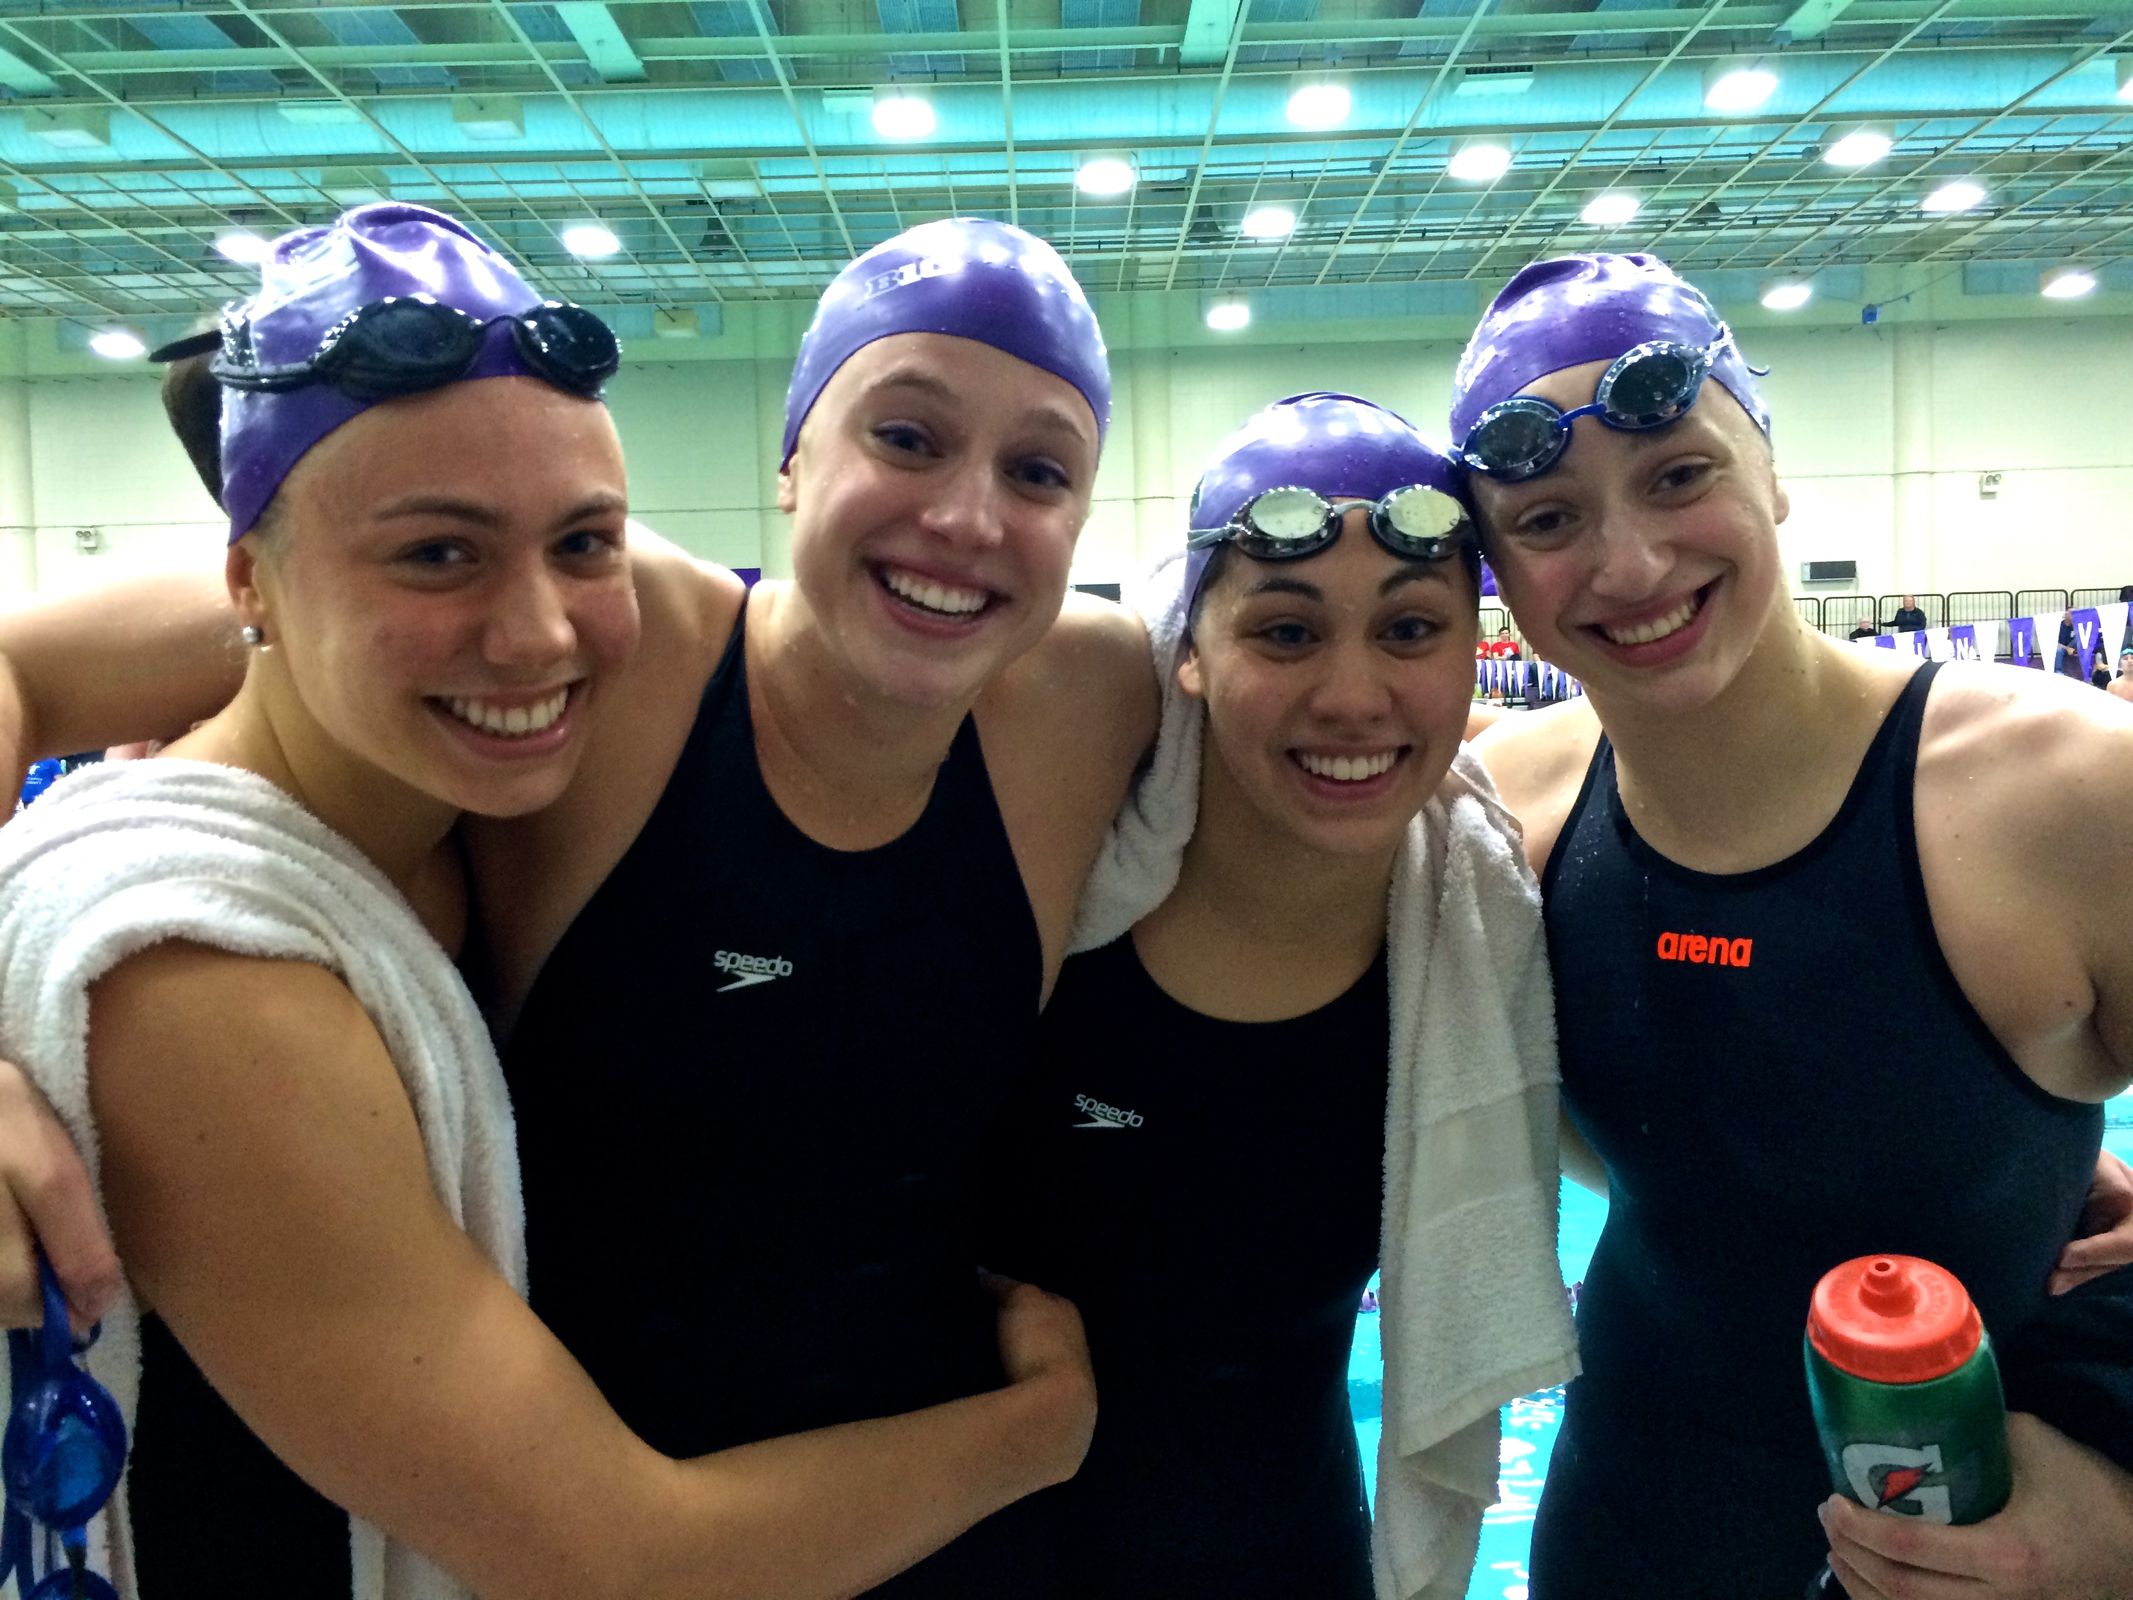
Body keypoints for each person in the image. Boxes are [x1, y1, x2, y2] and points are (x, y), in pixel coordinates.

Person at [0, 204, 1099, 1597]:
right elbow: (612, 1558)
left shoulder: (1085, 697)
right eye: (438, 553)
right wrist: (1042, 1430)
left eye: (585, 544)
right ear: (245, 580)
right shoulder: (208, 979)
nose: (538, 633)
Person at [1454, 252, 2133, 1598]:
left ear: (1770, 470)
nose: (1630, 562)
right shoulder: (1502, 816)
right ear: (1501, 578)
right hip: (1625, 1524)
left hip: (2000, 1534)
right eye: (1547, 518)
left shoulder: (2065, 794)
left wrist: (2120, 1497)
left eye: (1678, 476)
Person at [994, 393, 1574, 1597]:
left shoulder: (1482, 934)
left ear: (1472, 650)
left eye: (1410, 629)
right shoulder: (1048, 888)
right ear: (1189, 648)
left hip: (1305, 1552)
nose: (1353, 696)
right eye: (1287, 631)